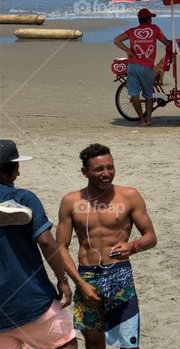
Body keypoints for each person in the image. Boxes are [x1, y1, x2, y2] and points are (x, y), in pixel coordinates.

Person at [0, 140, 99, 349]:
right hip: (30, 301)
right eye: (16, 167)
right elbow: (46, 241)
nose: (18, 174)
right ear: (9, 170)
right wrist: (62, 279)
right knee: (67, 344)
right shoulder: (23, 198)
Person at [56, 144, 157, 349]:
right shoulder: (71, 201)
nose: (106, 173)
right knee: (93, 341)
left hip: (120, 274)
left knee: (128, 343)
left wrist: (133, 246)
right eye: (99, 169)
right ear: (85, 172)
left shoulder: (129, 196)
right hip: (86, 276)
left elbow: (151, 237)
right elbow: (60, 247)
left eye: (110, 167)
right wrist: (79, 283)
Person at [113, 9, 172, 126]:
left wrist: (128, 50)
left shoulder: (132, 31)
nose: (151, 20)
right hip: (147, 67)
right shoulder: (155, 29)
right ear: (148, 19)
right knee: (148, 94)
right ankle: (149, 120)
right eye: (150, 18)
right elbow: (166, 43)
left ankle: (141, 120)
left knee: (134, 94)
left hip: (133, 66)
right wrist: (175, 43)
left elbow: (116, 40)